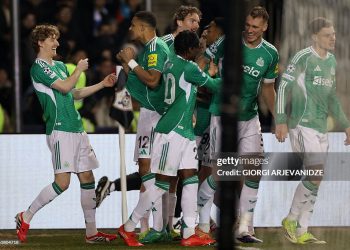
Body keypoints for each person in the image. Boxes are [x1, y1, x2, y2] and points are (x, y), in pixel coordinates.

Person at [15, 24, 117, 243]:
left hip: (77, 129)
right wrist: (79, 69)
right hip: (60, 129)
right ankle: (26, 216)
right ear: (40, 42)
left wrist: (101, 84)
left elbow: (74, 92)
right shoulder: (38, 68)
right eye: (52, 39)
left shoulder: (60, 65)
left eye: (57, 39)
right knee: (62, 183)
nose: (57, 43)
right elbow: (63, 87)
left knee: (88, 177)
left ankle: (91, 233)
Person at [118, 30, 219, 247]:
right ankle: (128, 227)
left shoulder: (168, 64)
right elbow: (213, 86)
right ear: (191, 50)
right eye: (197, 48)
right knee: (161, 184)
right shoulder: (190, 67)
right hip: (172, 131)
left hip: (183, 132)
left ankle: (188, 233)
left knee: (190, 178)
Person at [96, 11, 170, 243]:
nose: (130, 29)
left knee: (154, 172)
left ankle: (152, 226)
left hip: (156, 116)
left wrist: (130, 61)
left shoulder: (156, 48)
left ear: (143, 27)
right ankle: (152, 226)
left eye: (133, 26)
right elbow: (142, 80)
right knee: (148, 171)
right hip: (149, 115)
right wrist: (127, 67)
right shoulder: (149, 49)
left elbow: (152, 80)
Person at [275, 17, 350, 244]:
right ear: (315, 37)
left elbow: (332, 98)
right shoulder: (303, 57)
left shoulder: (332, 61)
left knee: (316, 177)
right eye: (328, 35)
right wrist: (280, 120)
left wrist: (346, 124)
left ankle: (302, 230)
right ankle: (291, 219)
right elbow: (283, 87)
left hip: (320, 127)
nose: (333, 38)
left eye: (334, 34)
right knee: (316, 173)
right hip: (302, 123)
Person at [236, 6, 279, 243]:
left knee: (253, 170)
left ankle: (244, 227)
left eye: (255, 27)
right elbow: (204, 64)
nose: (250, 30)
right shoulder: (231, 43)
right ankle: (199, 224)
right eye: (248, 25)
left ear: (265, 27)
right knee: (218, 175)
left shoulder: (270, 53)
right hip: (222, 117)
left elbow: (268, 88)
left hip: (250, 117)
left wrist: (278, 118)